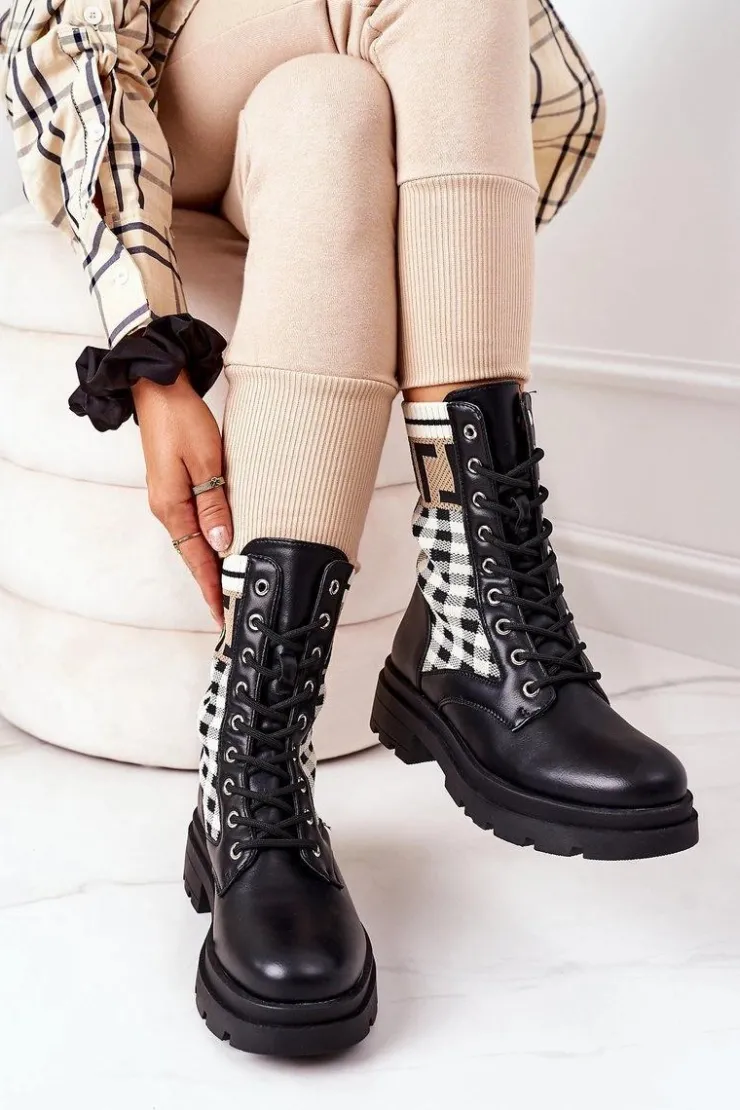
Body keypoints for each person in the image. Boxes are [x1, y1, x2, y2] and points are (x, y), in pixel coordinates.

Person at [1, 0, 698, 1058]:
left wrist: (440, 191)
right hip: (163, 90)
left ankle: (249, 765)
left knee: (330, 110)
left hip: (315, 87)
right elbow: (68, 38)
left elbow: (539, 95)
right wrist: (152, 357)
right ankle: (472, 617)